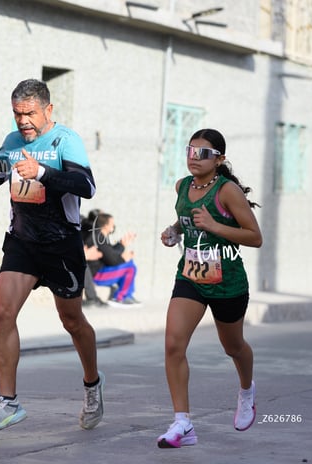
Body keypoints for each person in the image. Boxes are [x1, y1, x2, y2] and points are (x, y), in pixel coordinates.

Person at [0, 79, 104, 435]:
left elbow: (87, 186)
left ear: (48, 110)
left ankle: (92, 385)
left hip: (61, 245)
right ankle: (8, 402)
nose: (23, 122)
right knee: (2, 311)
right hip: (22, 242)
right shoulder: (11, 142)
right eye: (17, 114)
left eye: (30, 114)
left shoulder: (66, 140)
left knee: (71, 320)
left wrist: (41, 172)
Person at [157, 128, 262, 448]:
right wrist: (174, 231)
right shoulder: (182, 186)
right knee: (174, 344)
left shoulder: (227, 191)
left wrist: (216, 225)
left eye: (202, 153)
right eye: (189, 150)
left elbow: (255, 237)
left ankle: (246, 391)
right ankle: (182, 423)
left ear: (219, 159)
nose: (193, 157)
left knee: (233, 347)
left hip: (227, 280)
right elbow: (186, 220)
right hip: (190, 277)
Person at [85, 213, 140, 307]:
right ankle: (120, 298)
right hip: (97, 275)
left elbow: (110, 253)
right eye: (112, 223)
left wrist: (122, 244)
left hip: (102, 271)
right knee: (130, 267)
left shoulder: (101, 236)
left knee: (130, 264)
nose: (113, 226)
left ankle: (127, 296)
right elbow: (112, 260)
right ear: (106, 225)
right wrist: (123, 258)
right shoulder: (98, 238)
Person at [81, 210, 108, 307]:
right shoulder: (93, 232)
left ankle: (91, 298)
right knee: (81, 263)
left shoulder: (90, 229)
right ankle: (91, 298)